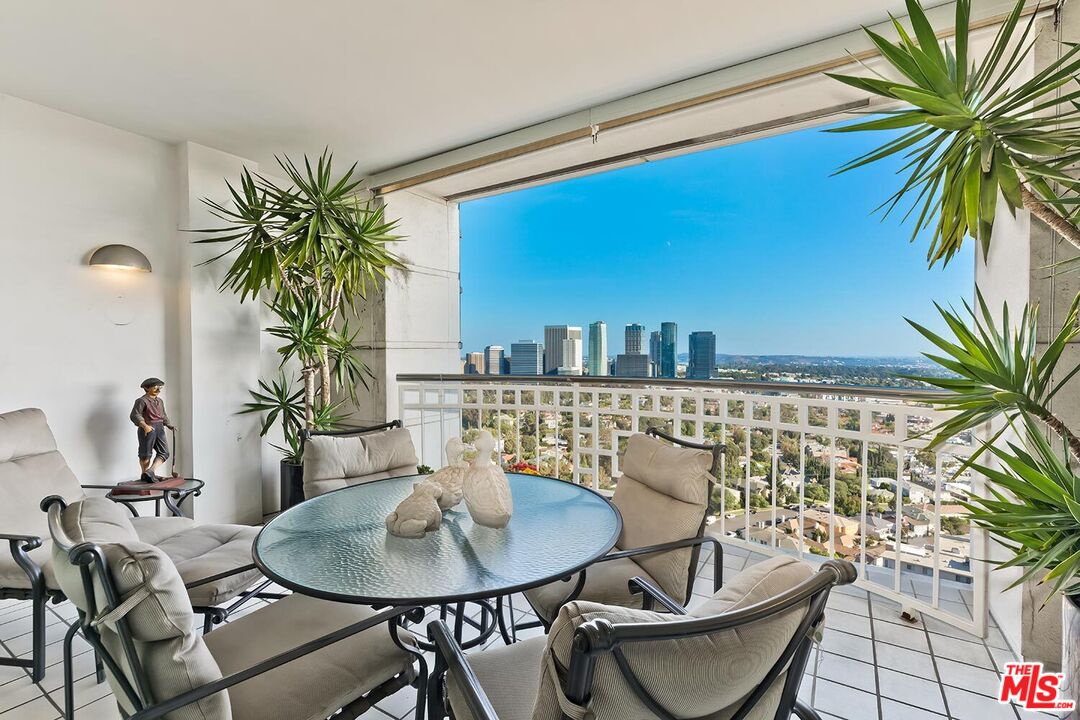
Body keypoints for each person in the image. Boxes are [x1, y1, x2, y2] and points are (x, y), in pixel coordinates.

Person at [130, 377, 175, 481]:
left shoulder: (160, 401)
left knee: (164, 452)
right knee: (146, 454)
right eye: (155, 387)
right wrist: (145, 426)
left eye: (159, 387)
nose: (158, 389)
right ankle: (144, 475)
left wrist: (168, 424)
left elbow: (163, 414)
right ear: (147, 388)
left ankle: (150, 471)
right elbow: (135, 415)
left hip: (160, 428)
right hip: (148, 428)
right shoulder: (141, 401)